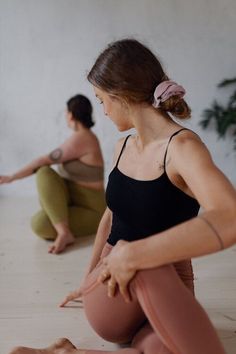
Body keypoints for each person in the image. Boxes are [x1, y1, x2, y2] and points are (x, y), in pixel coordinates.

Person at [9, 39, 236, 354]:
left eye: (102, 100)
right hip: (113, 286)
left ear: (120, 95)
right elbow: (110, 216)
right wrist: (87, 280)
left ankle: (65, 352)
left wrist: (137, 254)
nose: (102, 110)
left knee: (160, 349)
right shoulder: (121, 147)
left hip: (167, 283)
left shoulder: (182, 148)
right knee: (149, 263)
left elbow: (230, 216)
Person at [0, 94, 106, 254]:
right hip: (72, 201)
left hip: (92, 211)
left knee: (39, 222)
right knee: (39, 220)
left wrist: (12, 177)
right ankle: (64, 231)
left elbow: (43, 160)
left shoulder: (83, 138)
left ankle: (64, 233)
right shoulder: (81, 138)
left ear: (70, 114)